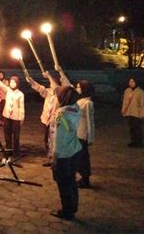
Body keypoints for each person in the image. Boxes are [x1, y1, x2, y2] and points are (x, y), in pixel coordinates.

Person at [50, 86, 82, 221]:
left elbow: (58, 138)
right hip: (74, 150)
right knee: (71, 182)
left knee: (63, 184)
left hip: (63, 155)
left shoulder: (61, 114)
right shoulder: (75, 108)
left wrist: (54, 157)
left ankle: (67, 211)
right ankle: (73, 207)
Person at [0, 75, 25, 157]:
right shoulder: (8, 90)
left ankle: (16, 151)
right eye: (11, 82)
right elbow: (1, 85)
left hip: (16, 117)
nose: (12, 84)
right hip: (6, 116)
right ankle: (8, 150)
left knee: (16, 135)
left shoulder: (20, 94)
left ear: (17, 83)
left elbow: (21, 108)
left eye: (14, 82)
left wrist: (21, 118)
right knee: (7, 134)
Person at [75, 80, 95, 188]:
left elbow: (90, 121)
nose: (77, 89)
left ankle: (85, 179)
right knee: (79, 156)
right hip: (77, 133)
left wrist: (90, 137)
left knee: (83, 157)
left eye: (79, 87)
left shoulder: (88, 103)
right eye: (77, 87)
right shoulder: (79, 101)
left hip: (83, 134)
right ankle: (82, 176)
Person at [121, 78, 144, 147]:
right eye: (130, 82)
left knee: (137, 128)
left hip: (137, 113)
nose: (131, 83)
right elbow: (125, 102)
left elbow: (142, 103)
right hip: (129, 112)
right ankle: (133, 141)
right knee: (131, 128)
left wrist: (142, 114)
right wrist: (123, 110)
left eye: (133, 82)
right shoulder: (127, 91)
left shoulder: (140, 92)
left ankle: (138, 142)